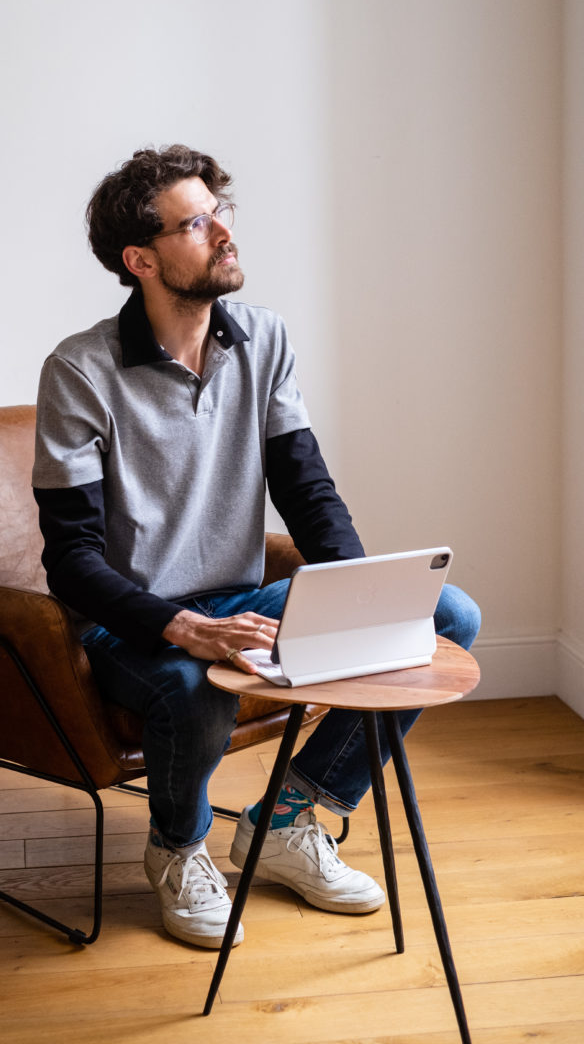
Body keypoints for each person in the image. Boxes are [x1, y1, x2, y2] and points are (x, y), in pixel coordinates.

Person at [32, 144, 481, 950]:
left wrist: (359, 598)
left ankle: (286, 818)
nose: (224, 235)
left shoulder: (263, 339)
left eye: (220, 214)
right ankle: (176, 848)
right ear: (140, 258)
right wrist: (181, 628)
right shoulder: (80, 370)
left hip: (241, 597)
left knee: (447, 614)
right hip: (129, 622)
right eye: (197, 223)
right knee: (191, 683)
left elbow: (306, 488)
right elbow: (69, 558)